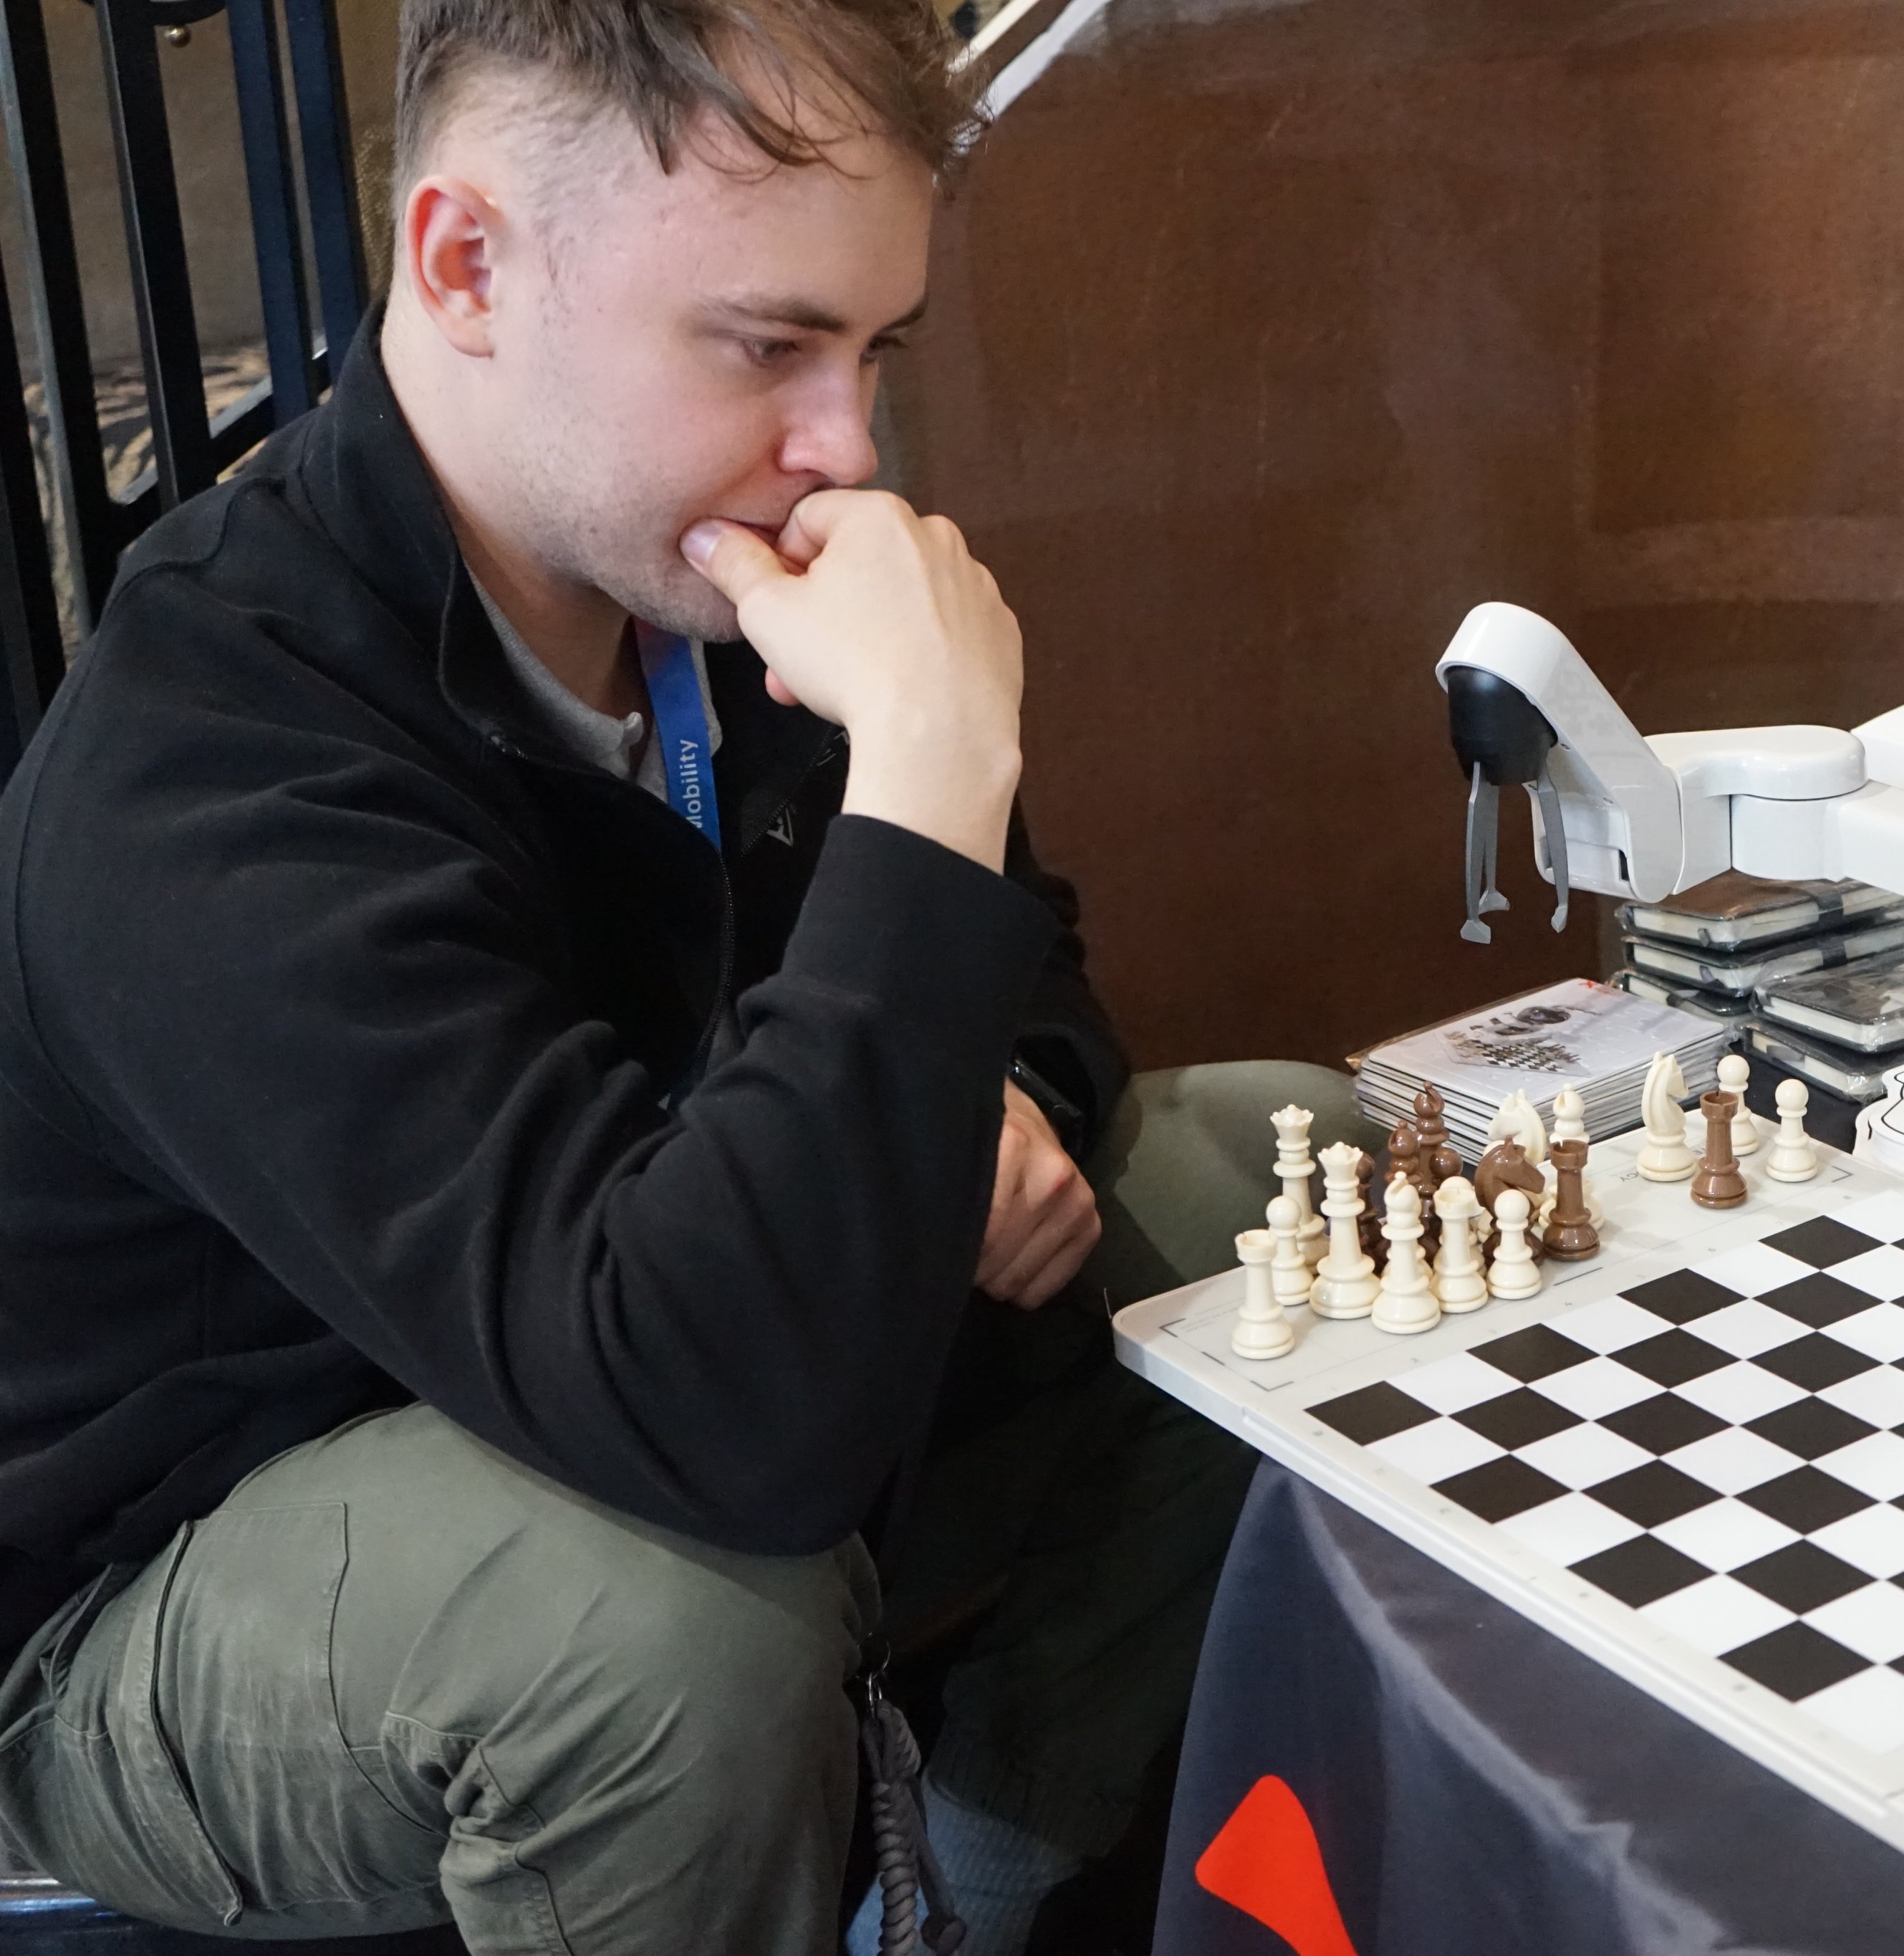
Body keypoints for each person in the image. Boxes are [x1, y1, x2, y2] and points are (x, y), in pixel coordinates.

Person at [0, 2, 1350, 1950]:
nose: (847, 447)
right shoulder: (212, 754)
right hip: (185, 1557)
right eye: (767, 345)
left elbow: (1031, 975)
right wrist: (932, 768)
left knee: (1274, 1180)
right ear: (468, 264)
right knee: (666, 1621)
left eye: (874, 348)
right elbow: (713, 1425)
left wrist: (1002, 1099)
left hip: (670, 1353)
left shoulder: (710, 576)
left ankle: (975, 1884)